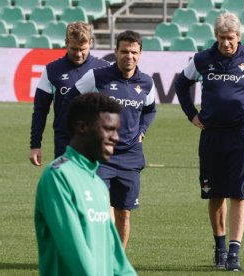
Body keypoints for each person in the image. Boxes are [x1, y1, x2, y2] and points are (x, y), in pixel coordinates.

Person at [175, 12, 244, 272]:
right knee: (215, 194)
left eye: (231, 38)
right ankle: (220, 248)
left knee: (239, 194)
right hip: (212, 133)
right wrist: (191, 115)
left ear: (239, 37)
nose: (226, 43)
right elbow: (181, 84)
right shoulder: (202, 59)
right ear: (216, 37)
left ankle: (234, 253)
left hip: (242, 133)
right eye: (221, 38)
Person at [64, 30, 156, 249]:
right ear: (115, 52)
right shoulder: (97, 77)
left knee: (124, 212)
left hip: (131, 157)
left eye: (134, 52)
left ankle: (118, 260)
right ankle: (94, 254)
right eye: (124, 51)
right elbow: (71, 100)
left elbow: (150, 110)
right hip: (101, 156)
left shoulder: (147, 83)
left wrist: (142, 129)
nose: (129, 56)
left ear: (140, 53)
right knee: (97, 209)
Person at [34, 93, 137, 276]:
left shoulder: (97, 183)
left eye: (117, 130)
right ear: (82, 128)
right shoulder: (58, 176)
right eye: (108, 129)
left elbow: (115, 257)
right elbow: (72, 248)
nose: (116, 137)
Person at [29, 21, 109, 166]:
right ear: (66, 43)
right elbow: (40, 110)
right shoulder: (52, 70)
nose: (78, 54)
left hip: (96, 142)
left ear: (90, 42)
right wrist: (35, 145)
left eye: (82, 49)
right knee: (64, 186)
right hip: (64, 142)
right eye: (74, 48)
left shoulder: (105, 69)